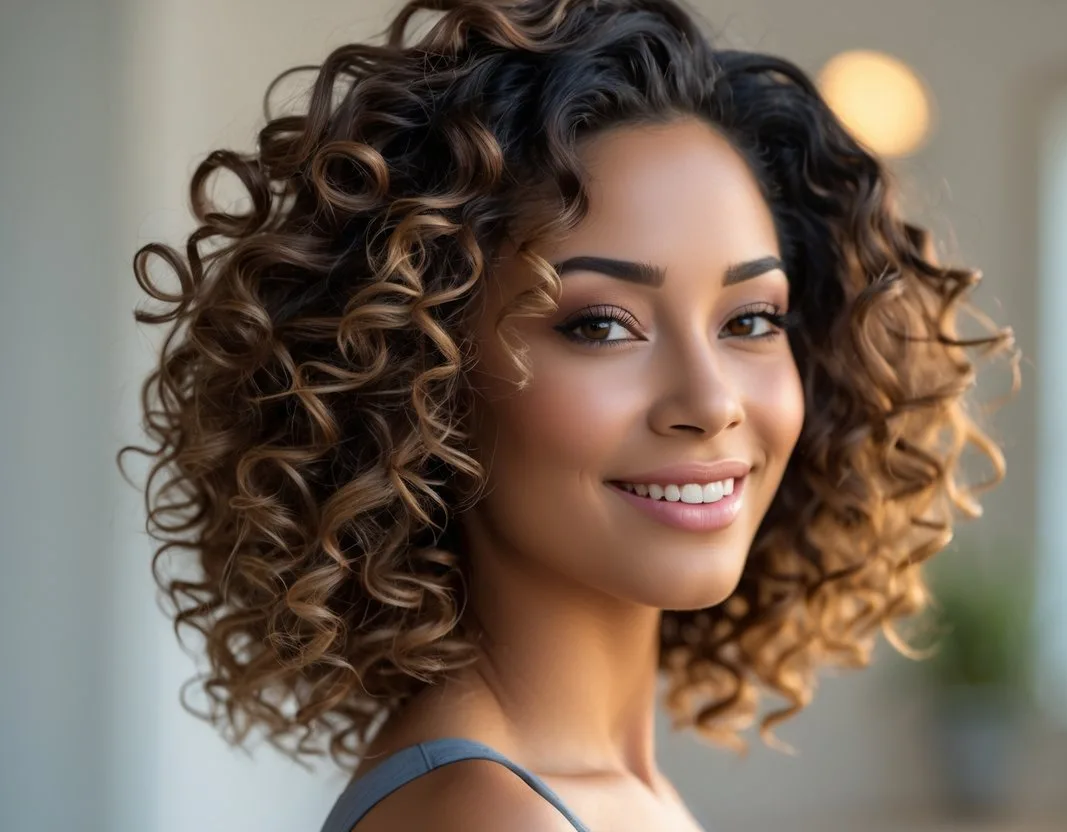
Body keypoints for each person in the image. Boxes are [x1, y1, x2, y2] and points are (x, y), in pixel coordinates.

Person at [122, 0, 1017, 829]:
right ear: (420, 376)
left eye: (749, 319)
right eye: (600, 325)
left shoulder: (596, 792)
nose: (709, 402)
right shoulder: (488, 815)